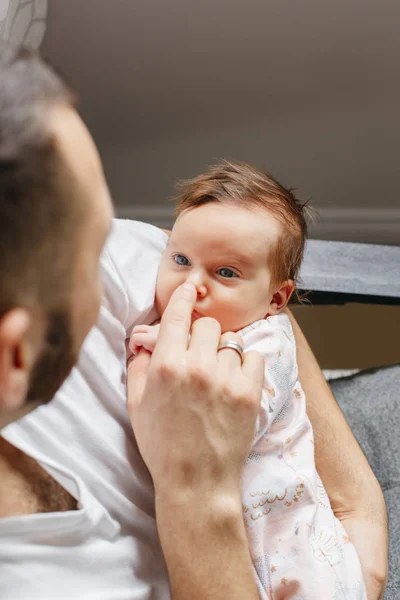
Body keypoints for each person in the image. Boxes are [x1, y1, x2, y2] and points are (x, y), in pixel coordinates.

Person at [0, 47, 387, 600]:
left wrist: (358, 507)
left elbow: (261, 317)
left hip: (326, 533)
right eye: (92, 250)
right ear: (16, 355)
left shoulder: (58, 254)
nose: (125, 253)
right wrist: (195, 494)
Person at [129, 161, 366, 598]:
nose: (193, 285)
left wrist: (163, 342)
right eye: (181, 260)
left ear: (276, 298)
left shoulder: (269, 343)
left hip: (299, 553)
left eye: (226, 273)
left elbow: (231, 419)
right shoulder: (197, 313)